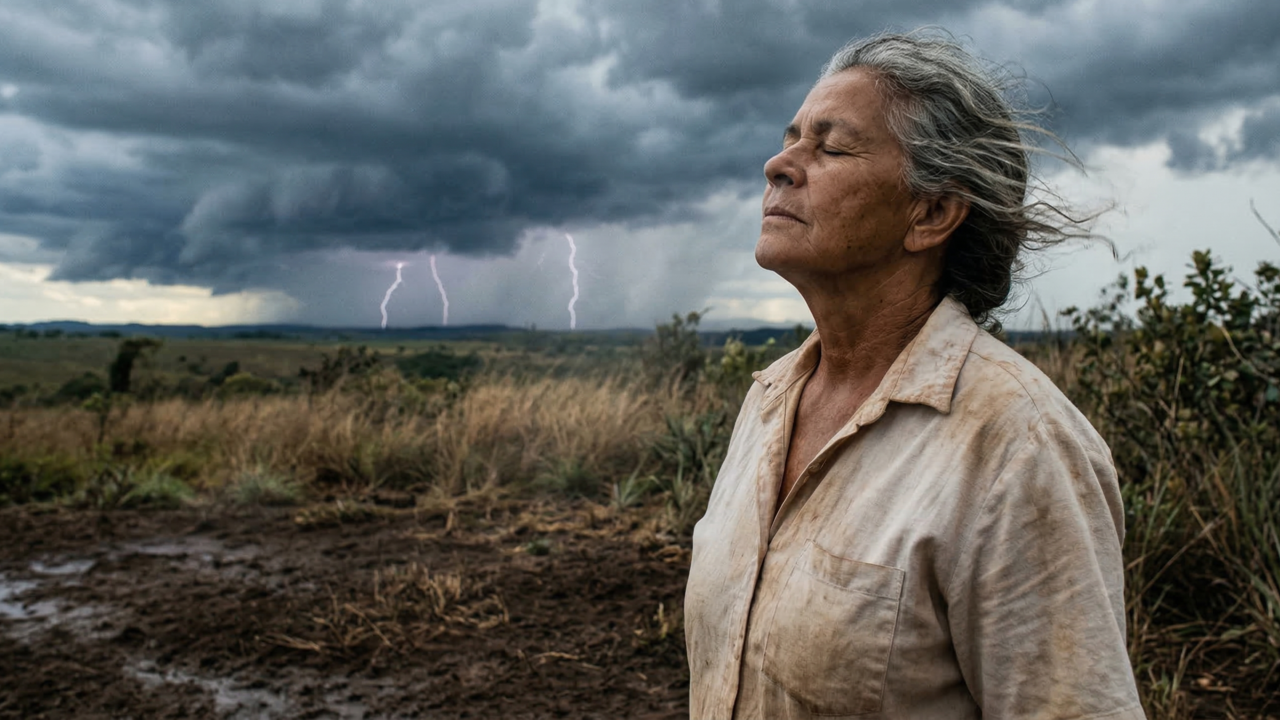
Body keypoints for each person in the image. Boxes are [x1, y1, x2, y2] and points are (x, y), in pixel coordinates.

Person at [684, 31, 1145, 719]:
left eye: (831, 147)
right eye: (791, 138)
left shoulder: (1018, 447)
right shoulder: (769, 401)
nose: (778, 164)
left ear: (931, 213)